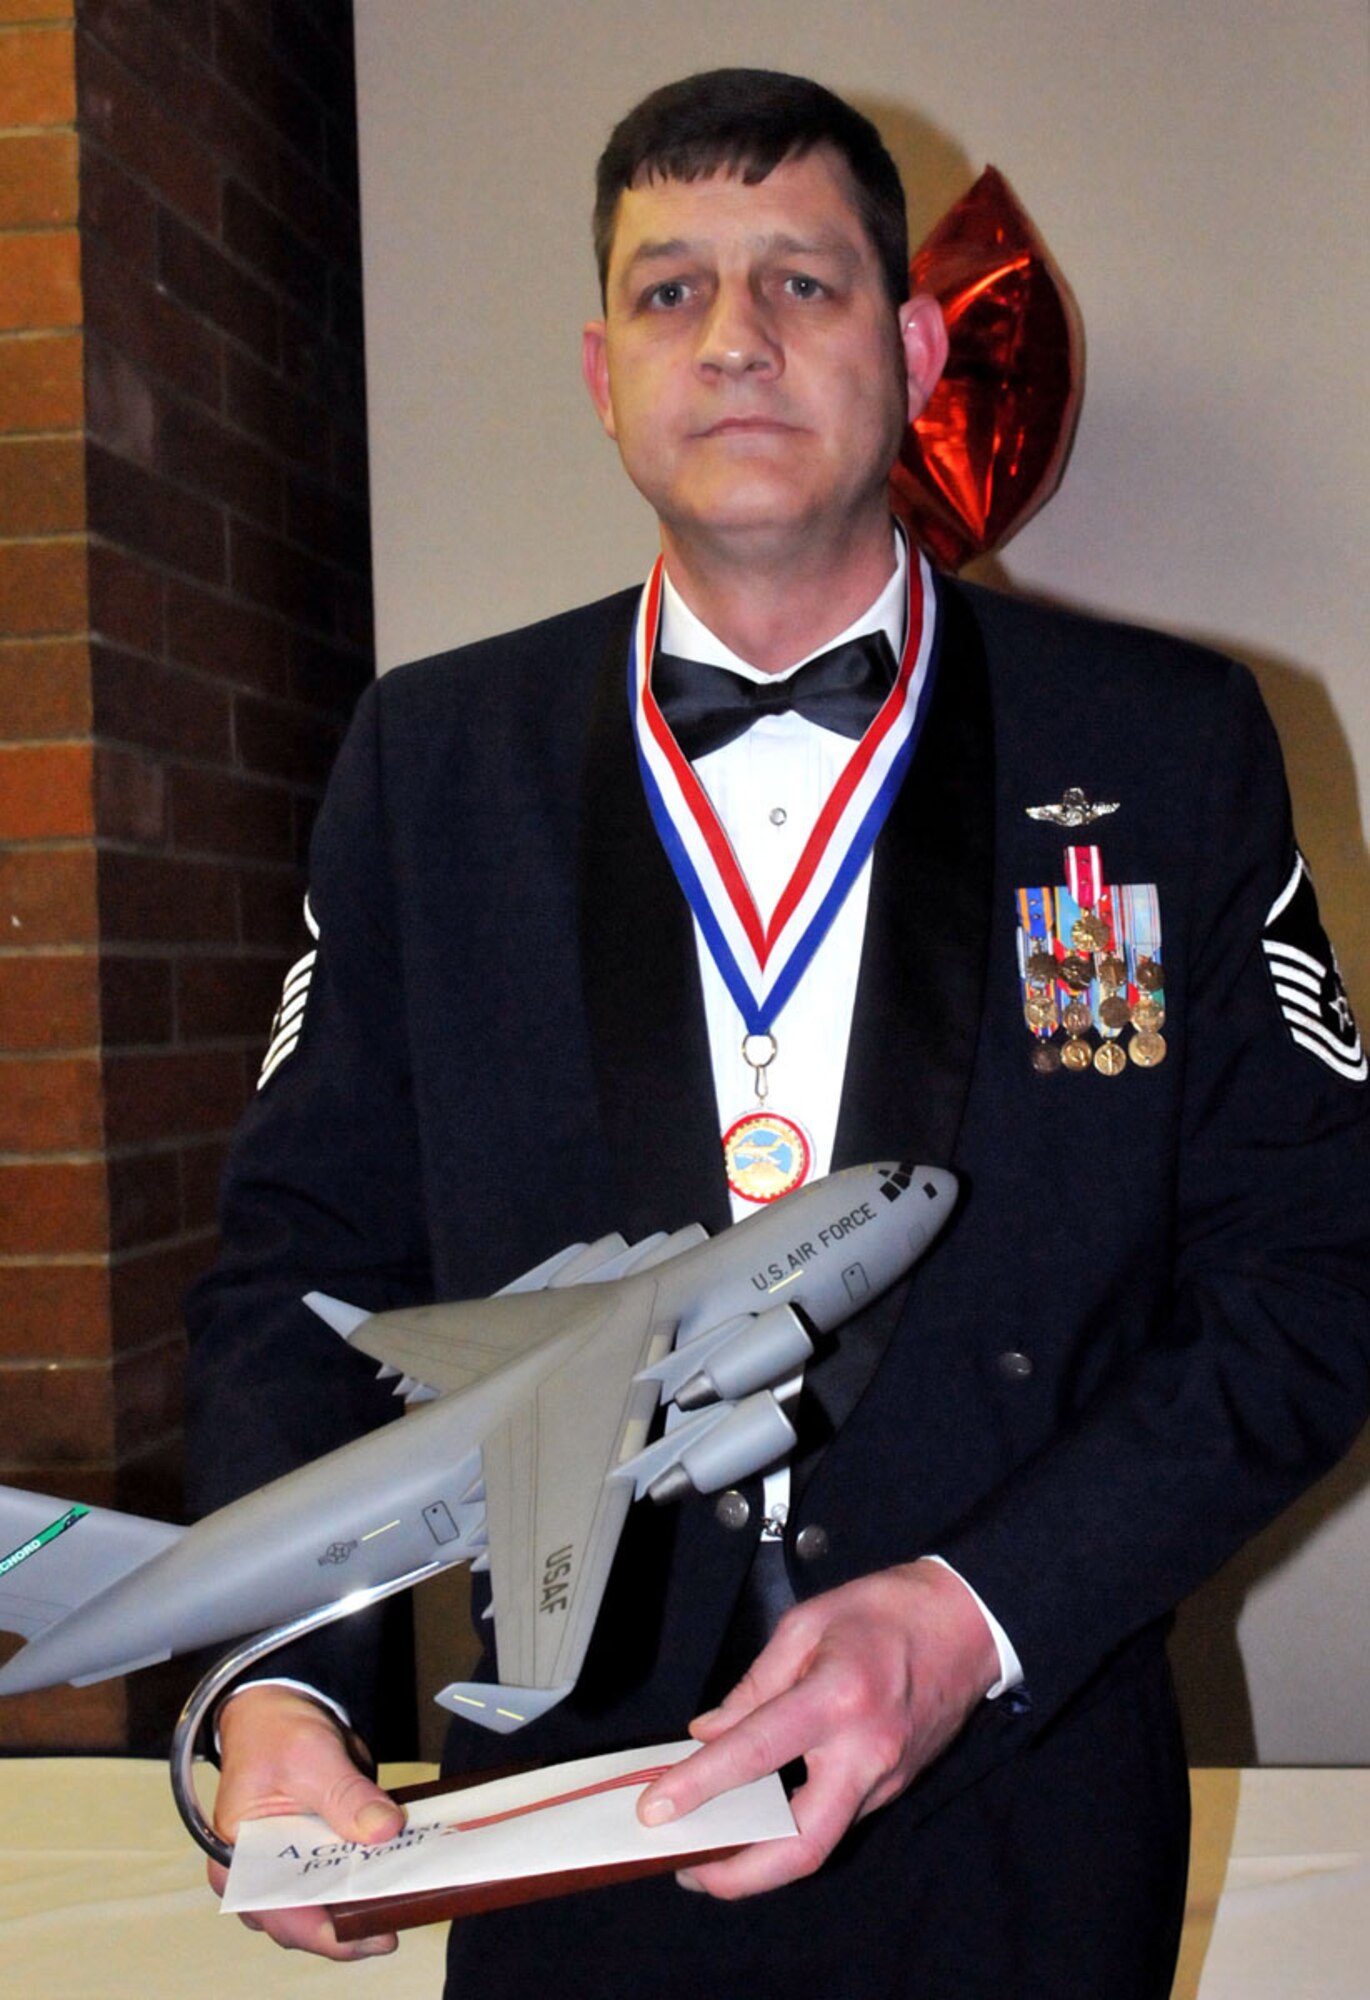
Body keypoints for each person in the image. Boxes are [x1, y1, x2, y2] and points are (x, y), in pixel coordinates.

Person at [185, 68, 1370, 1999]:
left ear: (910, 347)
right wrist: (281, 1685)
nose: (732, 339)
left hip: (1022, 1817)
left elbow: (1317, 1272)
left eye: (800, 284)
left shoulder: (1161, 749)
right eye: (670, 292)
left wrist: (975, 1612)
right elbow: (298, 1281)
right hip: (565, 1836)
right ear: (599, 370)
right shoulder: (429, 763)